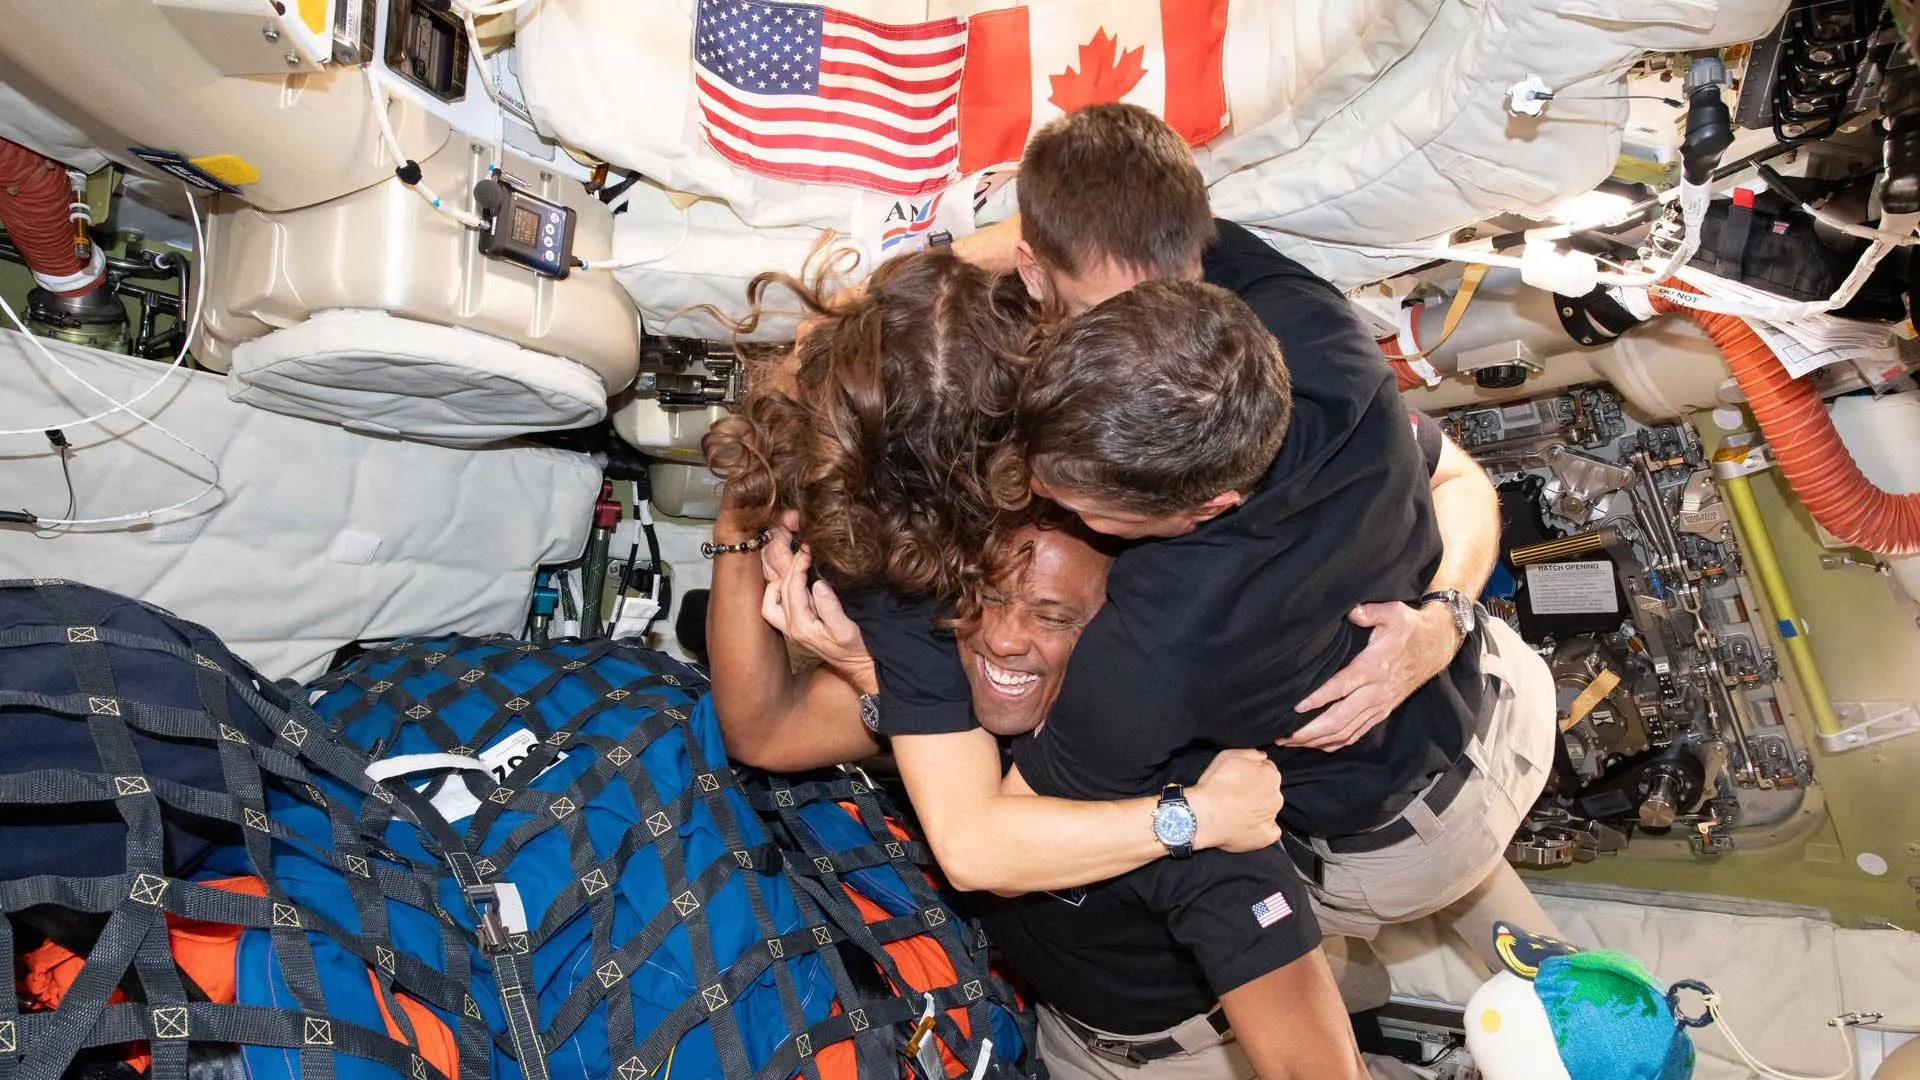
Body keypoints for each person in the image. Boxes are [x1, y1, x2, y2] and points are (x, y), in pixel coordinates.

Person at [752, 106, 1559, 1078]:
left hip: (1381, 853)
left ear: (1197, 509)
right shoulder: (1314, 340)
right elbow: (1466, 482)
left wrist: (873, 672)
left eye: (1074, 499)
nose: (1036, 492)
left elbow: (988, 843)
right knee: (1565, 998)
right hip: (1502, 710)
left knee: (1315, 906)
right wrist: (1447, 613)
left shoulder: (1151, 650)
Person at [702, 249, 1368, 1079]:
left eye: (1054, 617)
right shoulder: (959, 685)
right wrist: (746, 502)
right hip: (1050, 1031)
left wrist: (1192, 815)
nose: (1008, 639)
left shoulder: (1192, 781)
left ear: (1110, 637)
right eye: (983, 603)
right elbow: (762, 731)